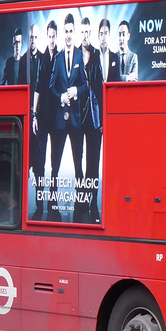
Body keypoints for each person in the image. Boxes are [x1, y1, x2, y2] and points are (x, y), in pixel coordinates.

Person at [48, 13, 88, 221]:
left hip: (75, 120)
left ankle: (81, 205)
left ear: (75, 32)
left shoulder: (81, 56)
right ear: (63, 32)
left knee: (78, 163)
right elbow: (50, 87)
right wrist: (61, 96)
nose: (69, 35)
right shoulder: (57, 57)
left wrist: (76, 91)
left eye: (72, 31)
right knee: (54, 163)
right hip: (59, 120)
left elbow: (86, 86)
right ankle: (51, 203)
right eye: (67, 31)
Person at [30, 19, 57, 219]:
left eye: (54, 36)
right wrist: (34, 114)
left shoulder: (62, 56)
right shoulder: (41, 59)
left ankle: (53, 201)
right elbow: (38, 87)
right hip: (42, 117)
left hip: (57, 118)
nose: (52, 39)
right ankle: (40, 203)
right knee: (40, 162)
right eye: (50, 36)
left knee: (54, 163)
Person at [80, 36, 104, 223]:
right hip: (78, 119)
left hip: (94, 120)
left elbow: (102, 90)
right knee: (78, 162)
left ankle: (93, 203)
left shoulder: (96, 56)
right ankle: (81, 201)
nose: (85, 35)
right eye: (83, 31)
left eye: (88, 31)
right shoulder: (74, 56)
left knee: (93, 164)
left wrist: (103, 119)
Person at [99, 18, 120, 83]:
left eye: (105, 33)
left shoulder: (115, 57)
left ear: (109, 35)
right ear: (98, 36)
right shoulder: (93, 56)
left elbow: (117, 80)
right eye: (101, 34)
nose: (103, 38)